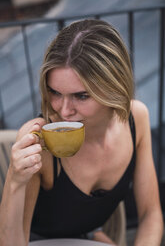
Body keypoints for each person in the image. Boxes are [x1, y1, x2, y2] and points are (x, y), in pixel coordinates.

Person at [0, 19, 163, 246]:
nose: (64, 111)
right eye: (55, 92)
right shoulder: (40, 138)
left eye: (81, 96)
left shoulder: (136, 119)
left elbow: (150, 215)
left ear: (114, 88)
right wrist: (15, 180)